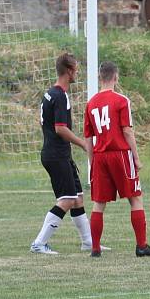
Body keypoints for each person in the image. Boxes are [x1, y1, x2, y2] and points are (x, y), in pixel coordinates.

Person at [84, 61, 150, 257]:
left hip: (99, 156)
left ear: (100, 77)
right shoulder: (121, 100)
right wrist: (137, 158)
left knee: (99, 202)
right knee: (135, 198)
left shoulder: (90, 103)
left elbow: (88, 138)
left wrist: (92, 162)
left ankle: (95, 248)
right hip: (120, 154)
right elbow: (127, 131)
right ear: (116, 77)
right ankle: (141, 246)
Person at [30, 52, 94, 255]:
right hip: (56, 155)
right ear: (69, 71)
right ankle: (39, 243)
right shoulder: (60, 96)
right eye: (76, 69)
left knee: (77, 198)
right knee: (66, 199)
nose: (77, 73)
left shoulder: (49, 93)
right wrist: (83, 143)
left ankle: (88, 242)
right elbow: (60, 128)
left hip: (58, 153)